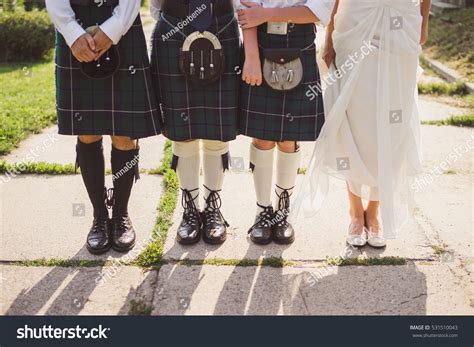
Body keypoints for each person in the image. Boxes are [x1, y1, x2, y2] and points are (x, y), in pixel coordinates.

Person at [292, 0, 431, 247]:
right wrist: (331, 29)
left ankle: (374, 211)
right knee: (354, 116)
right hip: (356, 18)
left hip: (402, 20)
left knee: (393, 120)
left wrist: (424, 21)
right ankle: (356, 212)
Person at [46, 0, 162, 254]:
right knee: (88, 132)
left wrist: (113, 29)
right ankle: (99, 217)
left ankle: (121, 216)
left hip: (122, 23)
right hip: (75, 25)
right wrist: (73, 33)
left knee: (124, 134)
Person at [238, 0, 330, 245]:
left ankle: (282, 212)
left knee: (289, 139)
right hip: (260, 42)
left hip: (299, 44)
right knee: (263, 137)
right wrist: (251, 57)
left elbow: (316, 11)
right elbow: (247, 13)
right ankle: (262, 211)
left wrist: (265, 14)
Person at [150, 0, 241, 245]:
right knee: (183, 131)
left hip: (221, 20)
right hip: (173, 22)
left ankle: (212, 207)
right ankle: (190, 209)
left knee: (216, 130)